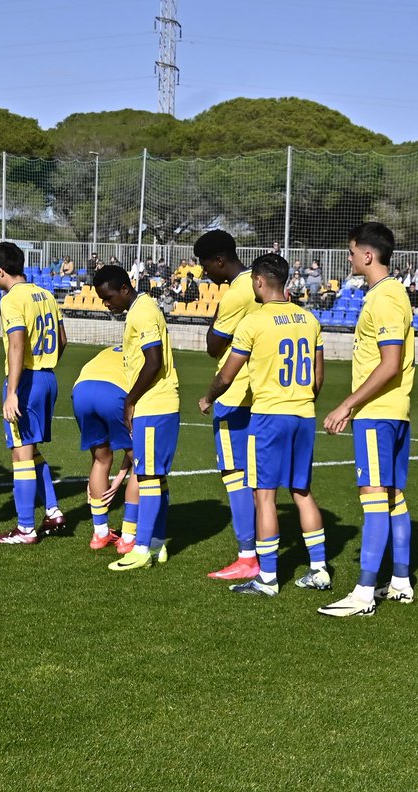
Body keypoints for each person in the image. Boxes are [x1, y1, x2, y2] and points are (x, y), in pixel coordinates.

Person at [200, 253, 329, 597]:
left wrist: (208, 398)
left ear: (258, 281)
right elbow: (318, 376)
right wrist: (303, 400)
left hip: (269, 416)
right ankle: (319, 569)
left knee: (265, 496)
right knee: (301, 491)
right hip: (303, 414)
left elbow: (227, 374)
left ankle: (268, 578)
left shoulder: (254, 322)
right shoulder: (309, 319)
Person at [319, 222, 415, 618]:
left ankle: (363, 594)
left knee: (374, 497)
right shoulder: (386, 294)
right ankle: (401, 581)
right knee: (392, 497)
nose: (349, 257)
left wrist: (347, 405)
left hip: (378, 414)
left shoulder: (386, 297)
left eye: (352, 250)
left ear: (368, 255)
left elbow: (390, 364)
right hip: (392, 412)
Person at [96, 266, 180, 572]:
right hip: (159, 404)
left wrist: (130, 401)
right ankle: (156, 544)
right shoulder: (141, 308)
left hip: (153, 404)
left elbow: (154, 360)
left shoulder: (142, 311)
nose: (107, 304)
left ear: (124, 289)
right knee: (154, 477)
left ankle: (141, 547)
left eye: (108, 297)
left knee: (146, 477)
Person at [0, 242, 67, 544]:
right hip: (47, 377)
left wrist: (13, 392)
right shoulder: (45, 294)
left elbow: (17, 344)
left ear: (0, 270)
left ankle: (25, 528)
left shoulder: (11, 299)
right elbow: (62, 338)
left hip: (27, 382)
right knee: (30, 450)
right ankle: (54, 509)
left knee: (20, 453)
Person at [194, 230, 260, 580]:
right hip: (264, 393)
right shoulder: (264, 280)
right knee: (257, 477)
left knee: (234, 476)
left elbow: (212, 345)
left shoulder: (237, 292)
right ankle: (263, 551)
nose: (205, 274)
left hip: (234, 395)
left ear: (220, 260)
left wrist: (218, 313)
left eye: (207, 266)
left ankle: (248, 557)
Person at [72, 335, 137, 552]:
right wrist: (119, 479)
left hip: (80, 390)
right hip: (113, 392)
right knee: (141, 461)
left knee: (100, 460)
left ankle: (100, 533)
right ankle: (128, 537)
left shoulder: (109, 350)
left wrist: (98, 480)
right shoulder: (142, 354)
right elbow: (133, 454)